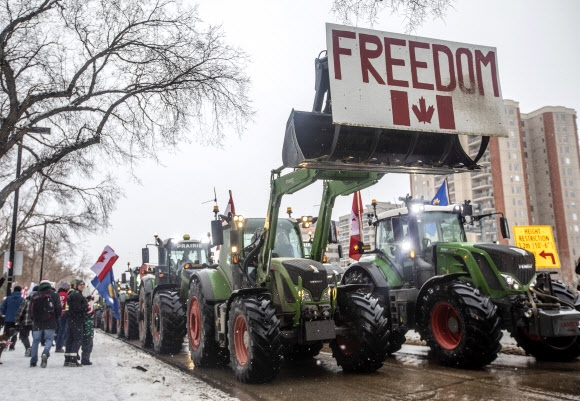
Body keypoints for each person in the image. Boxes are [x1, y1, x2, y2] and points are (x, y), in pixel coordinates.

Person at [29, 278, 61, 368]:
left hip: (37, 322)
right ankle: (45, 353)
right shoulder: (54, 294)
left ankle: (33, 360)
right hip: (50, 321)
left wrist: (33, 319)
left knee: (35, 341)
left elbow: (30, 310)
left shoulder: (35, 295)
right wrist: (55, 318)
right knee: (49, 339)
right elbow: (58, 308)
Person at [64, 279, 88, 367]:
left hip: (71, 320)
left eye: (83, 284)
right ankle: (73, 360)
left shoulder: (73, 294)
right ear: (76, 286)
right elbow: (77, 308)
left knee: (70, 339)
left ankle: (67, 359)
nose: (82, 286)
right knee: (77, 339)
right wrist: (85, 305)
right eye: (80, 284)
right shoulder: (77, 295)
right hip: (77, 320)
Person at [0, 285, 24, 351]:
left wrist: (3, 314)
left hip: (8, 318)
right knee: (14, 333)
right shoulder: (22, 299)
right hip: (16, 319)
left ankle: (4, 345)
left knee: (6, 333)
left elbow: (2, 308)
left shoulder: (8, 298)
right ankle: (12, 346)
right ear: (20, 291)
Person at [15, 285, 36, 357]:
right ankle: (33, 349)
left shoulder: (26, 300)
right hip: (36, 322)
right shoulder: (40, 300)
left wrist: (17, 319)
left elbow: (20, 311)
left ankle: (28, 347)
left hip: (25, 321)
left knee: (23, 335)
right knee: (36, 337)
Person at [55, 281, 70, 352]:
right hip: (64, 314)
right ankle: (59, 346)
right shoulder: (66, 295)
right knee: (63, 330)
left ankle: (59, 344)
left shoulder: (58, 294)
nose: (69, 287)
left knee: (60, 330)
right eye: (68, 286)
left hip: (59, 314)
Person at [81, 299, 95, 365]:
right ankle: (85, 359)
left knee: (87, 346)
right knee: (87, 346)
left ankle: (85, 358)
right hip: (87, 332)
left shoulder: (83, 310)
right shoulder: (86, 311)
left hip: (87, 331)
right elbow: (91, 311)